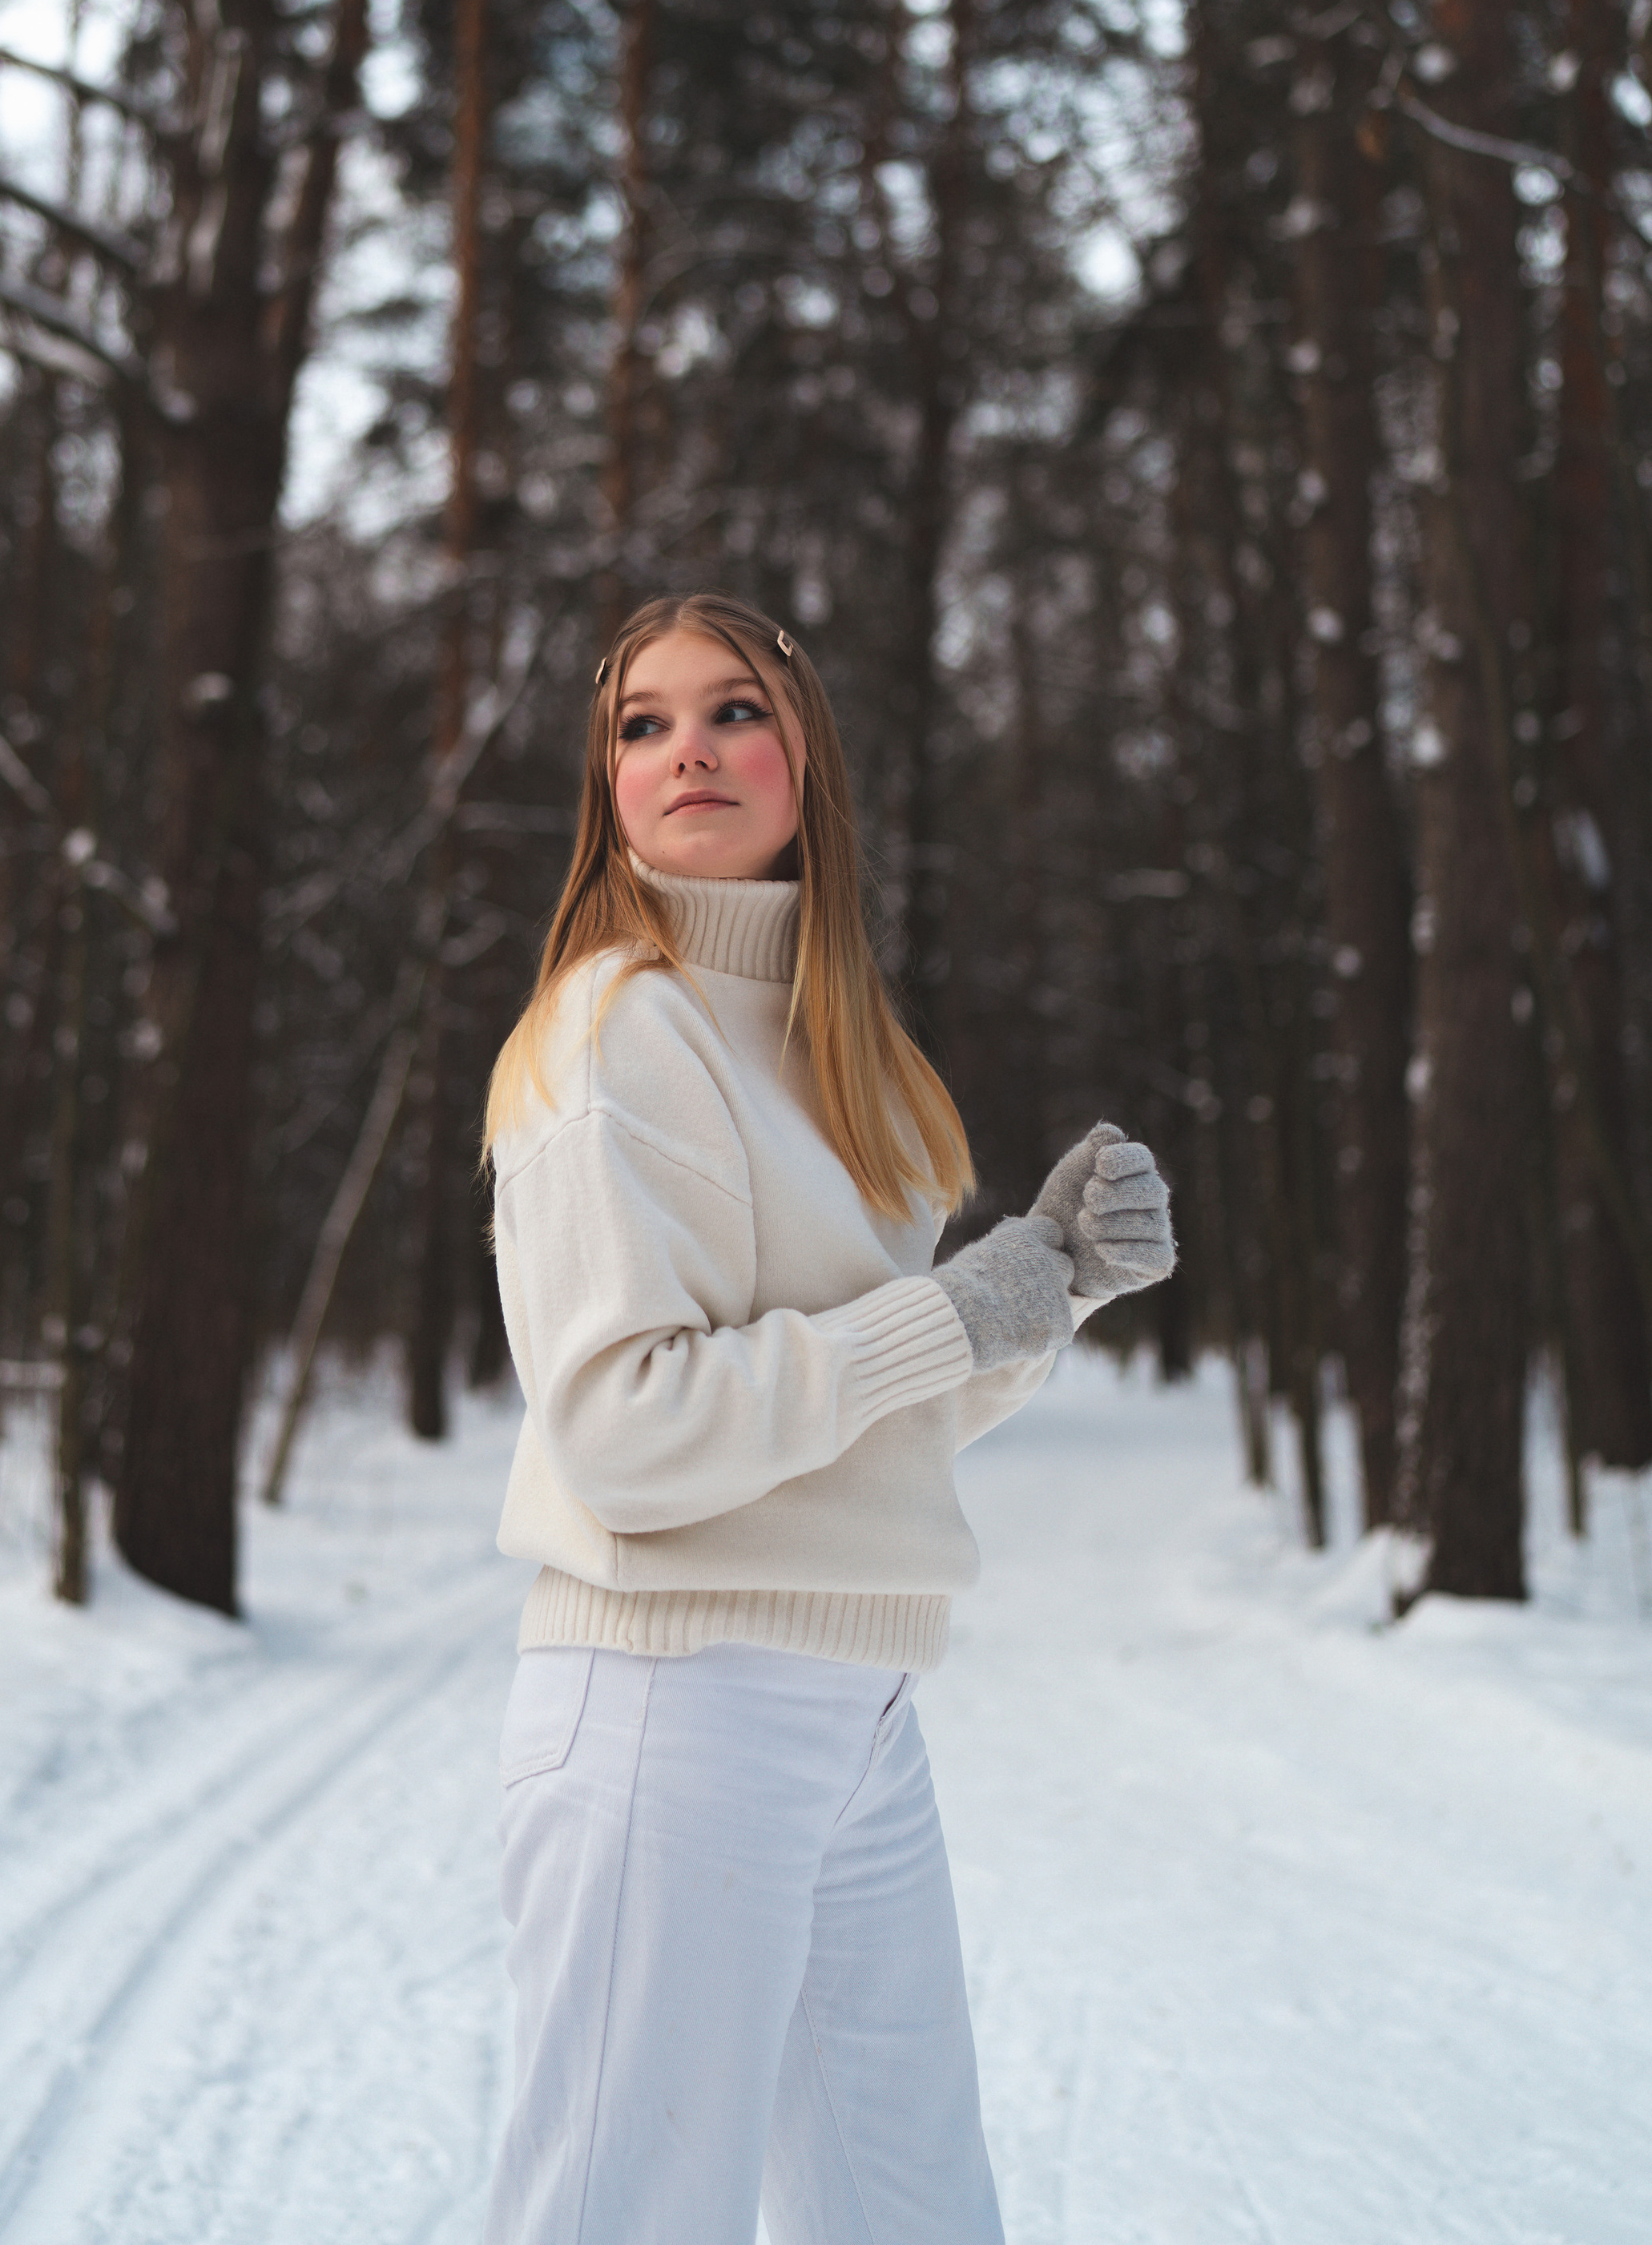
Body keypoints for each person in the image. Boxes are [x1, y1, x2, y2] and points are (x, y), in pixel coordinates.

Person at [480, 592, 1175, 2245]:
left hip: (858, 1707)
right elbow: (625, 1435)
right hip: (669, 1693)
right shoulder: (612, 1022)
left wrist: (1051, 1286)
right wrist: (950, 1307)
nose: (685, 748)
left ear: (804, 763)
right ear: (605, 781)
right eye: (639, 723)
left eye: (731, 710)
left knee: (911, 2211)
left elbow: (872, 1422)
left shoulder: (844, 1049)